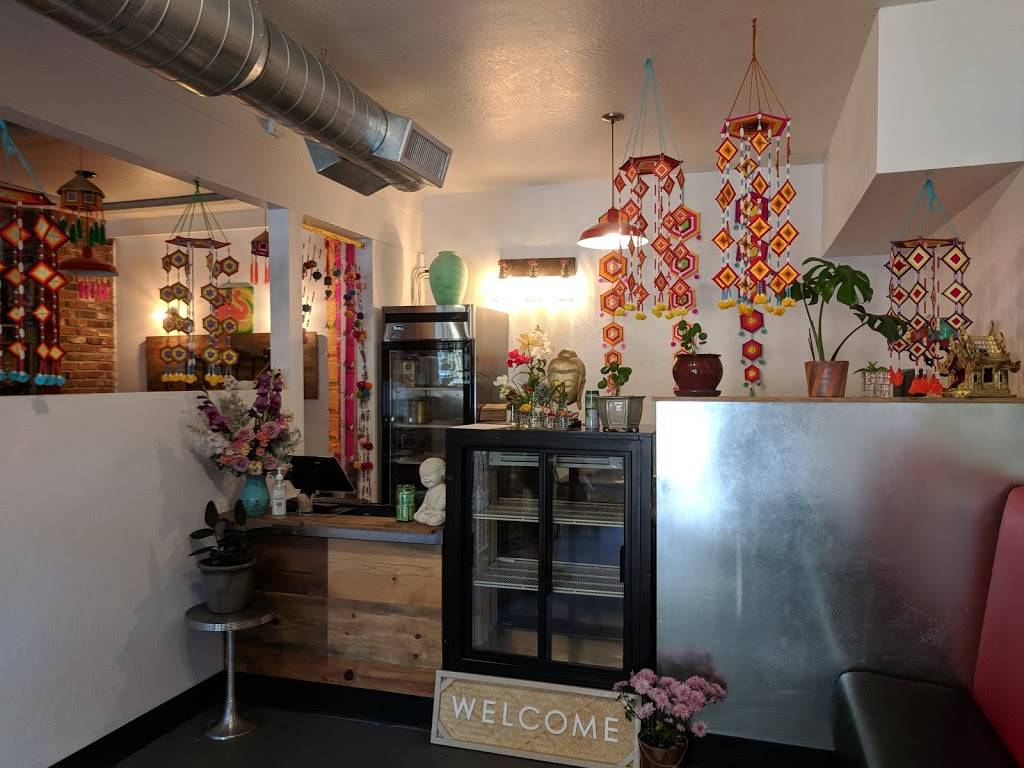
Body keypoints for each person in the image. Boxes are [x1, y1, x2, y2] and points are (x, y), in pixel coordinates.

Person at [414, 457, 446, 526]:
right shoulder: (429, 491)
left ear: (442, 472)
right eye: (422, 476)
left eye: (429, 475)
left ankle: (430, 519)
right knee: (417, 516)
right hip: (429, 512)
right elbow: (424, 503)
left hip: (438, 512)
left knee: (435, 519)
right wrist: (419, 512)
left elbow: (441, 506)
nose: (425, 478)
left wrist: (432, 511)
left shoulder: (443, 489)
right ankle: (427, 519)